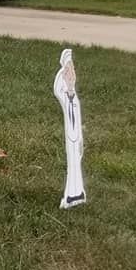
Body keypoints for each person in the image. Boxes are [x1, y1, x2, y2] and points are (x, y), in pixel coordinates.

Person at [53, 50, 86, 208]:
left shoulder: (74, 98)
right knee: (72, 160)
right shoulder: (63, 90)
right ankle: (72, 193)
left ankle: (77, 192)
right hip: (71, 135)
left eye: (72, 71)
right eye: (68, 72)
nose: (71, 75)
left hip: (75, 136)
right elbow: (59, 91)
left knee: (76, 160)